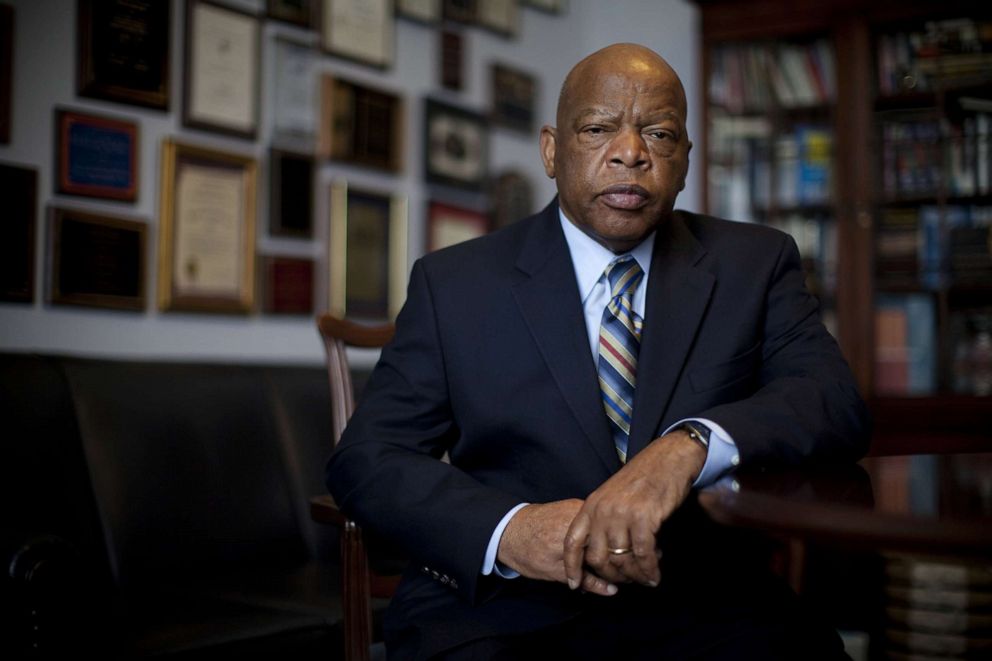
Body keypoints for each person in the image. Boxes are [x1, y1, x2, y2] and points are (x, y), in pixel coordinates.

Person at [326, 43, 870, 660]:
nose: (632, 152)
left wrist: (685, 446)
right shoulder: (454, 283)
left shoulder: (755, 263)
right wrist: (510, 531)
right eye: (598, 128)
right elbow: (368, 459)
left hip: (702, 601)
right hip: (506, 609)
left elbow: (835, 402)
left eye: (659, 133)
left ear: (685, 160)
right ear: (552, 150)